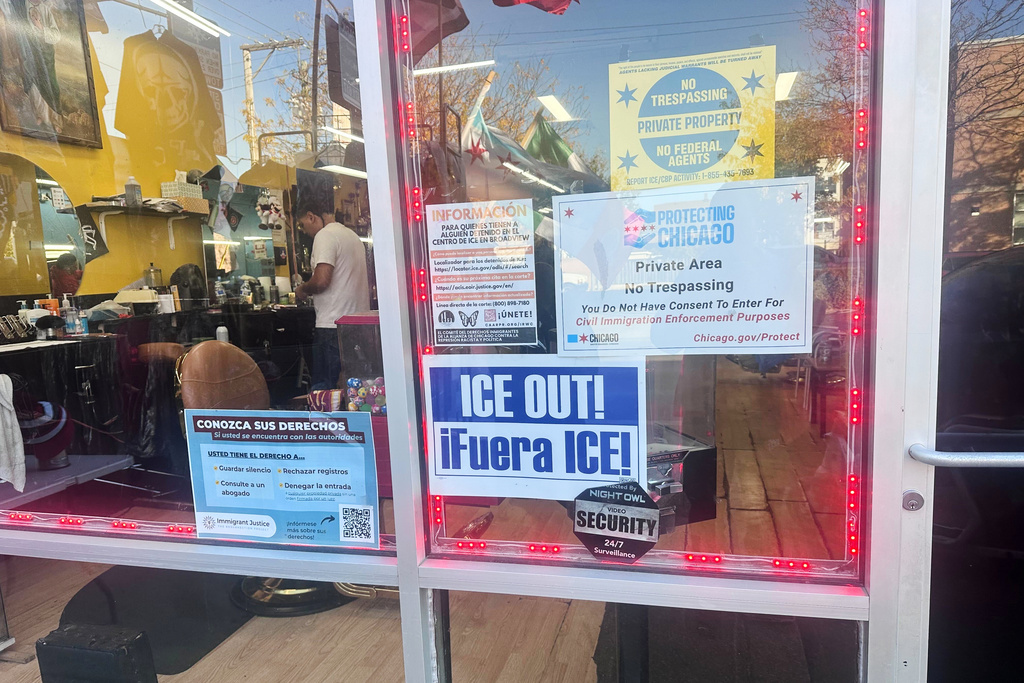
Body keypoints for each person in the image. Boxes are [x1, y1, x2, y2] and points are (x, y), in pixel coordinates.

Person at [294, 196, 370, 391]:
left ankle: (327, 423)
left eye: (302, 226)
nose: (305, 232)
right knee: (356, 390)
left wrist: (302, 290)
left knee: (325, 393)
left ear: (311, 217)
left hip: (332, 326)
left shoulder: (325, 236)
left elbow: (321, 281)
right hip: (358, 324)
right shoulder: (352, 236)